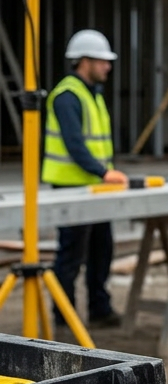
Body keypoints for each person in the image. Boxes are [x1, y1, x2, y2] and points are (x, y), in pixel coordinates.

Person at [41, 30, 127, 328]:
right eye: (103, 61)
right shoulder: (67, 96)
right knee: (71, 254)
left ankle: (99, 308)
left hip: (94, 186)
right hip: (71, 186)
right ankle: (63, 315)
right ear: (85, 61)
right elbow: (74, 144)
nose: (108, 67)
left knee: (102, 248)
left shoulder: (92, 95)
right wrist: (105, 172)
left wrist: (103, 175)